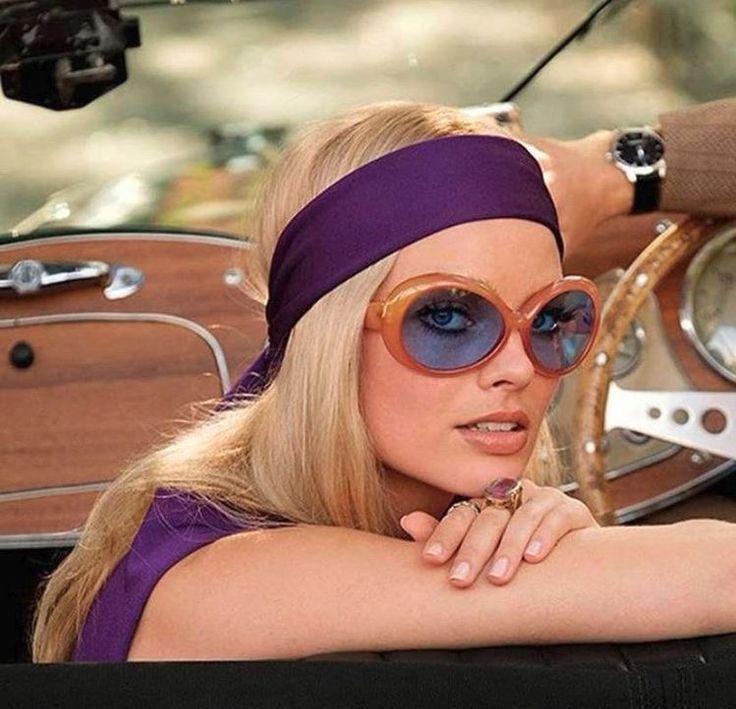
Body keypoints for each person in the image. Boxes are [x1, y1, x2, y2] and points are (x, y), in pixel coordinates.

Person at [33, 100, 736, 663]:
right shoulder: (216, 578)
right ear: (330, 338)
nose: (521, 366)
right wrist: (578, 566)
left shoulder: (429, 535)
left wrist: (611, 174)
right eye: (450, 316)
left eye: (553, 319)